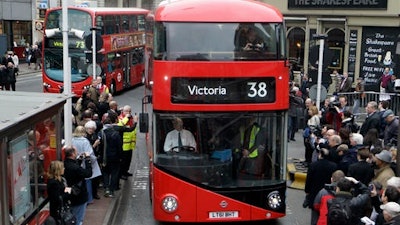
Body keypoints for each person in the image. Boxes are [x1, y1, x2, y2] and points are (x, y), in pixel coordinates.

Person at [304, 148, 337, 225]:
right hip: (328, 193)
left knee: (315, 214)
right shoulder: (334, 166)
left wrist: (307, 191)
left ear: (320, 155)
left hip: (315, 192)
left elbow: (309, 179)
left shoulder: (314, 165)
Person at [71, 126, 102, 204]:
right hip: (85, 162)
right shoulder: (85, 141)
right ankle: (89, 199)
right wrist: (93, 160)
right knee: (87, 181)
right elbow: (89, 153)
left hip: (76, 162)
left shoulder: (72, 140)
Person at [63, 146, 92, 225]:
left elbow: (74, 167)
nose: (77, 153)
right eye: (76, 152)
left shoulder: (65, 163)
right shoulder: (75, 168)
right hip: (79, 196)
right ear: (72, 154)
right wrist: (87, 159)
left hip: (69, 194)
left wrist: (79, 159)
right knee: (78, 219)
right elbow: (88, 173)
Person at [99, 116, 123, 198]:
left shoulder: (101, 133)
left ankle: (106, 188)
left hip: (104, 157)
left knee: (105, 172)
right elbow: (119, 147)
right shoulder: (115, 134)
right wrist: (120, 156)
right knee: (114, 173)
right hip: (115, 157)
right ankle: (112, 190)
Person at [47, 160, 72, 225]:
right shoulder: (53, 183)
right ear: (58, 170)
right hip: (57, 211)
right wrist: (68, 191)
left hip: (61, 209)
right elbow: (57, 198)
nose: (64, 169)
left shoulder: (61, 179)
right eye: (62, 167)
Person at [118, 105, 138, 180]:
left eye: (129, 111)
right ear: (123, 111)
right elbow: (121, 125)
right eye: (126, 111)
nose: (128, 113)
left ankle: (126, 171)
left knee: (128, 159)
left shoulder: (131, 118)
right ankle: (122, 173)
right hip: (124, 144)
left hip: (130, 143)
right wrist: (127, 117)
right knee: (123, 160)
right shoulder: (120, 118)